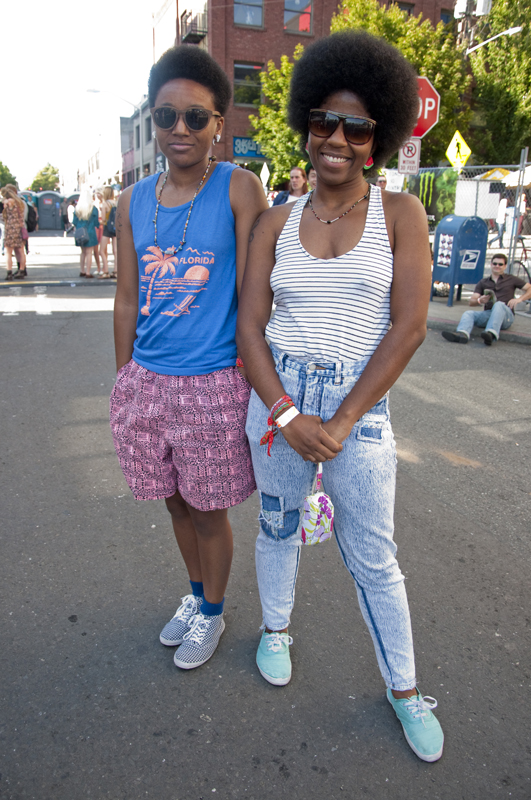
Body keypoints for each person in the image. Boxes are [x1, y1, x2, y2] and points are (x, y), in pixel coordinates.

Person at [237, 30, 444, 763]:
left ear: (377, 138)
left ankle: (403, 689)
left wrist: (344, 419)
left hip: (360, 408)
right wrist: (289, 415)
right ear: (306, 123)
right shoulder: (274, 222)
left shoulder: (400, 217)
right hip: (278, 404)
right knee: (277, 524)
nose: (336, 138)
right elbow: (249, 329)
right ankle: (275, 629)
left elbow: (409, 326)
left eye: (356, 127)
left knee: (375, 558)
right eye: (323, 120)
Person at [110, 45, 268, 671]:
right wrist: (126, 379)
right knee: (174, 501)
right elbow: (127, 298)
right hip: (148, 381)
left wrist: (256, 384)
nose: (181, 130)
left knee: (207, 508)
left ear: (218, 125)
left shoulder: (238, 187)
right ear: (154, 118)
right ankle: (198, 593)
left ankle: (213, 611)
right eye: (167, 116)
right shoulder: (131, 201)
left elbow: (257, 297)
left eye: (196, 118)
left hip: (212, 382)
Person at [441, 253, 531, 345]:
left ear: (505, 266)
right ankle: (462, 334)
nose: (497, 266)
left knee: (499, 304)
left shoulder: (511, 279)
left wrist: (519, 299)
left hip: (506, 316)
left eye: (500, 264)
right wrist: (479, 300)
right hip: (489, 313)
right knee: (469, 313)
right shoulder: (483, 282)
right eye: (495, 263)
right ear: (491, 264)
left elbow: (529, 289)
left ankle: (491, 334)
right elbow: (472, 301)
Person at [73, 187, 100, 277]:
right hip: (90, 232)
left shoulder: (77, 208)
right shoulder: (93, 209)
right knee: (89, 253)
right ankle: (88, 272)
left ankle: (82, 270)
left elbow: (74, 222)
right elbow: (96, 222)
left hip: (80, 232)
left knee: (83, 252)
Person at [1, 185, 27, 280]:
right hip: (19, 229)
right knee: (20, 251)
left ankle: (9, 272)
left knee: (8, 252)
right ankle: (21, 270)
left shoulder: (8, 202)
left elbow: (5, 209)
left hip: (10, 229)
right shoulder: (20, 202)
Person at [99, 186, 117, 278]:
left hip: (107, 228)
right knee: (115, 251)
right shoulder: (116, 203)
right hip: (116, 229)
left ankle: (105, 270)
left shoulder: (105, 204)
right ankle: (116, 270)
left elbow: (103, 219)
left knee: (101, 250)